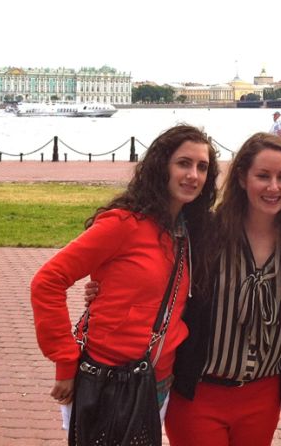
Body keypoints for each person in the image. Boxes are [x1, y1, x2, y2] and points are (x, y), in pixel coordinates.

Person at [30, 124, 220, 435]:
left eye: (202, 167)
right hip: (107, 380)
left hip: (155, 382)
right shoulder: (124, 224)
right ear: (162, 167)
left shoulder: (188, 230)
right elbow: (47, 282)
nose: (194, 175)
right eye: (183, 163)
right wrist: (65, 361)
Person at [163, 132, 281, 446]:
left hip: (263, 395)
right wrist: (101, 283)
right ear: (242, 177)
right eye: (263, 176)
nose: (273, 187)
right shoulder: (206, 232)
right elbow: (147, 257)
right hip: (199, 394)